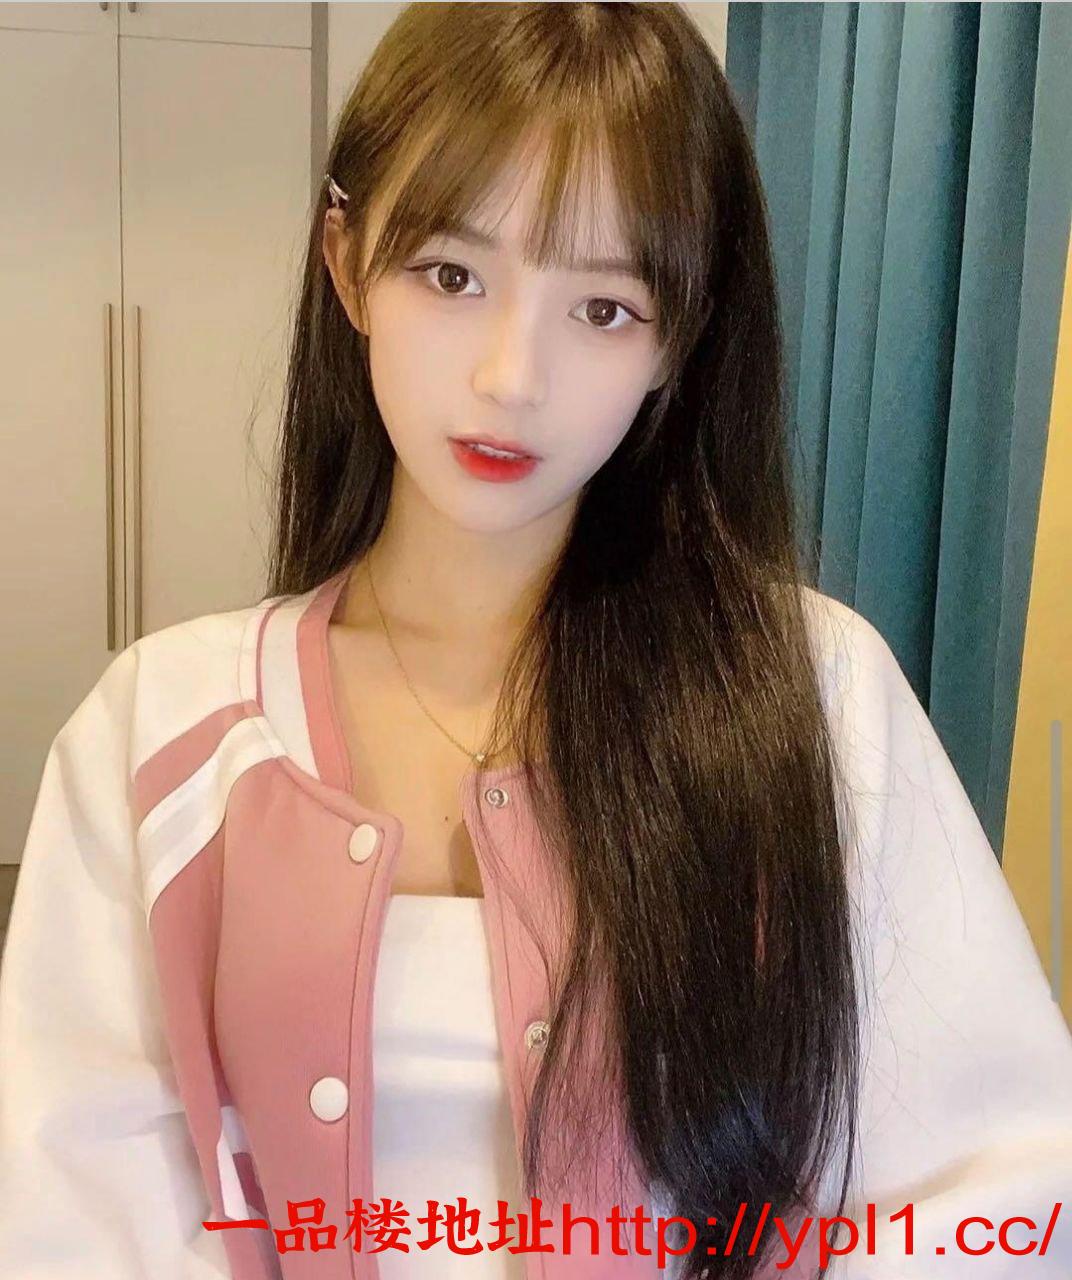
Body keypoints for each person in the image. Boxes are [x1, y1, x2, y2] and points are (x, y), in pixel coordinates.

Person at [1, 4, 1070, 1279]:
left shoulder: (814, 698)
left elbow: (996, 1184)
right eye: (452, 276)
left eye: (604, 307)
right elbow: (71, 1206)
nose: (513, 375)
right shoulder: (165, 725)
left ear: (679, 337)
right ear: (346, 261)